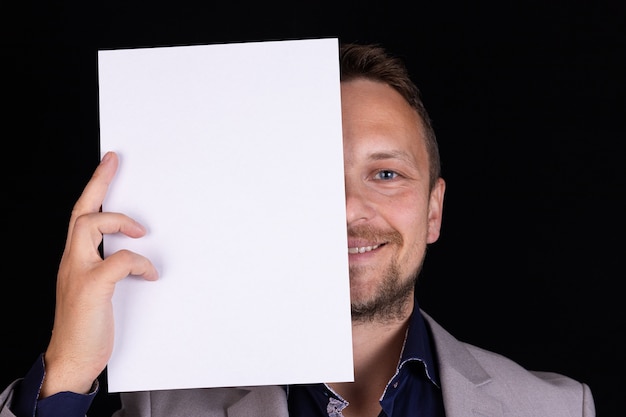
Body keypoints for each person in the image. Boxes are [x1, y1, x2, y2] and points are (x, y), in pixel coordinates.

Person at [0, 42, 595, 417]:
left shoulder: (557, 408)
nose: (347, 208)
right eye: (314, 176)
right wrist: (68, 373)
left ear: (434, 211)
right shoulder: (163, 405)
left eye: (385, 173)